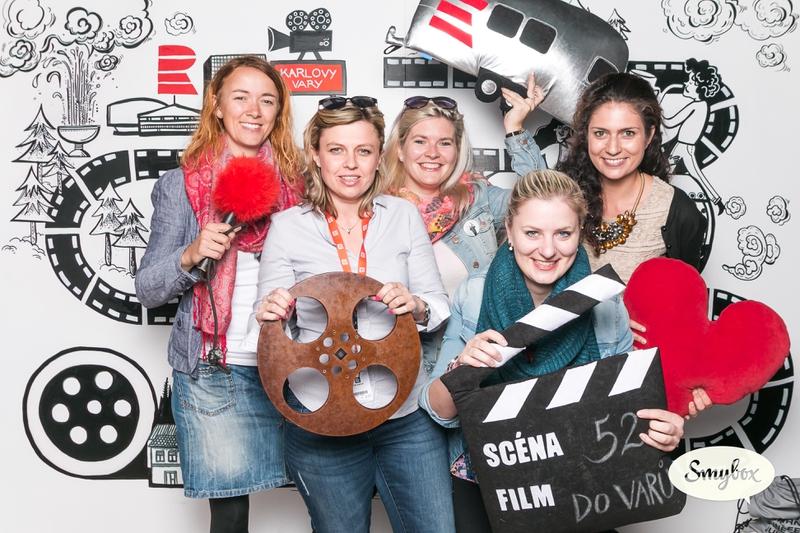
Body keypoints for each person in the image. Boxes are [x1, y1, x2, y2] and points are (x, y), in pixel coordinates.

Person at [419, 170, 687, 533]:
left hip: (579, 479)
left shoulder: (606, 306)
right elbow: (438, 411)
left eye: (563, 233)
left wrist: (663, 432)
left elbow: (627, 415)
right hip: (487, 478)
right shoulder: (474, 293)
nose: (547, 251)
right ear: (509, 230)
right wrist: (463, 368)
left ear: (580, 233)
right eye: (532, 233)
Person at [247, 96, 455, 533]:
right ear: (315, 155)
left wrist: (416, 305)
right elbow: (268, 331)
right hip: (321, 417)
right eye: (337, 149)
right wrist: (270, 313)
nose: (351, 164)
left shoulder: (403, 216)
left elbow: (437, 306)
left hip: (404, 416)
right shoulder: (288, 226)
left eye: (363, 150)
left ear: (380, 156)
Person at [135, 56, 303, 533]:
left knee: (333, 496)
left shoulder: (302, 184)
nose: (254, 110)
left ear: (278, 111)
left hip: (295, 362)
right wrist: (189, 256)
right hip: (215, 368)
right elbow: (147, 289)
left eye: (267, 100)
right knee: (229, 516)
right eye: (240, 97)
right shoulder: (181, 186)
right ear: (216, 105)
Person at [507, 73, 712, 382]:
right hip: (556, 365)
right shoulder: (567, 197)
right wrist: (514, 127)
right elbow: (531, 206)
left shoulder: (677, 210)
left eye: (628, 133)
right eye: (601, 133)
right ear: (585, 135)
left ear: (649, 135)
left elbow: (685, 308)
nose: (613, 148)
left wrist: (693, 383)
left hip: (632, 374)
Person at [382, 83, 546, 372]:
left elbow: (544, 201)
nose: (432, 153)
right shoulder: (376, 212)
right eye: (420, 141)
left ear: (457, 151)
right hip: (403, 363)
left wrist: (515, 128)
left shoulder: (479, 199)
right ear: (400, 150)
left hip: (479, 358)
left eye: (444, 143)